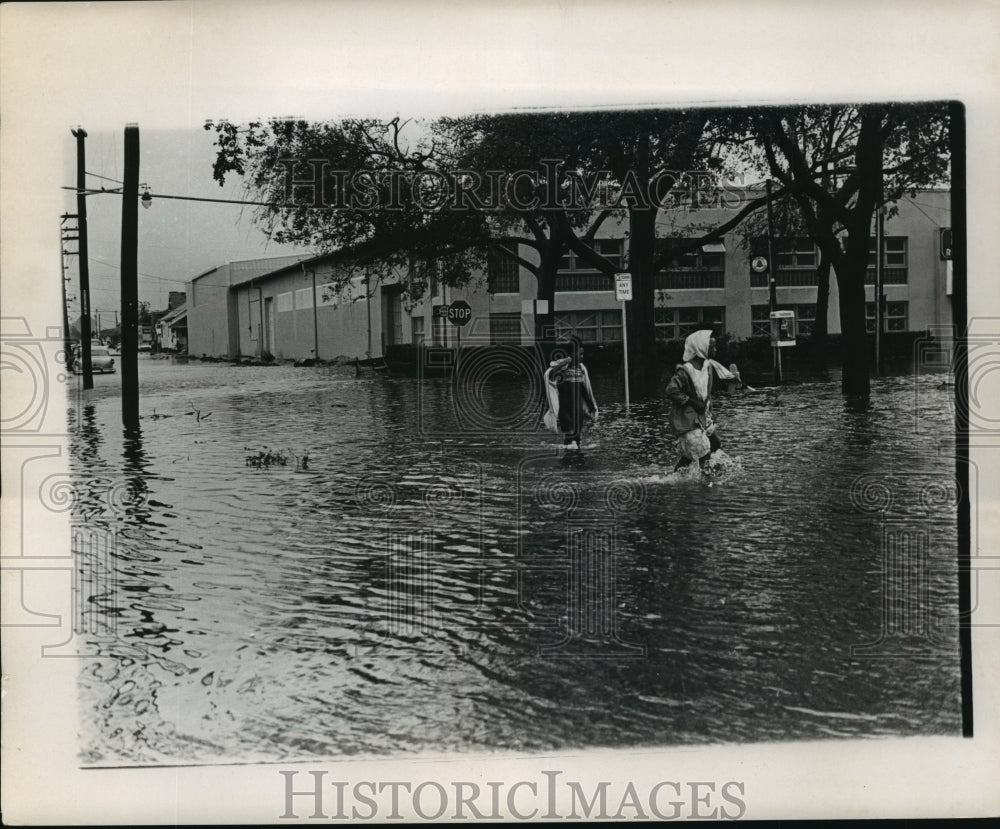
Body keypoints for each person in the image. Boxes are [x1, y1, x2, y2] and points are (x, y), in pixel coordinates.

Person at [665, 329, 740, 472]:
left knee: (715, 443)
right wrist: (691, 402)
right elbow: (671, 390)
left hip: (703, 417)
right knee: (705, 456)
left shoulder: (708, 367)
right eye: (712, 347)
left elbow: (711, 388)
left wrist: (732, 382)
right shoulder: (685, 371)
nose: (715, 349)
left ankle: (675, 477)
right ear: (701, 348)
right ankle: (709, 486)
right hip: (688, 419)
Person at [543, 336, 598, 449]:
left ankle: (576, 461)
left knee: (577, 438)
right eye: (579, 354)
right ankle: (567, 461)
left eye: (583, 354)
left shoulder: (580, 370)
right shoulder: (563, 369)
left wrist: (591, 406)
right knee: (569, 437)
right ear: (572, 355)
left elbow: (583, 389)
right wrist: (563, 363)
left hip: (578, 411)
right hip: (566, 410)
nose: (582, 357)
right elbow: (551, 375)